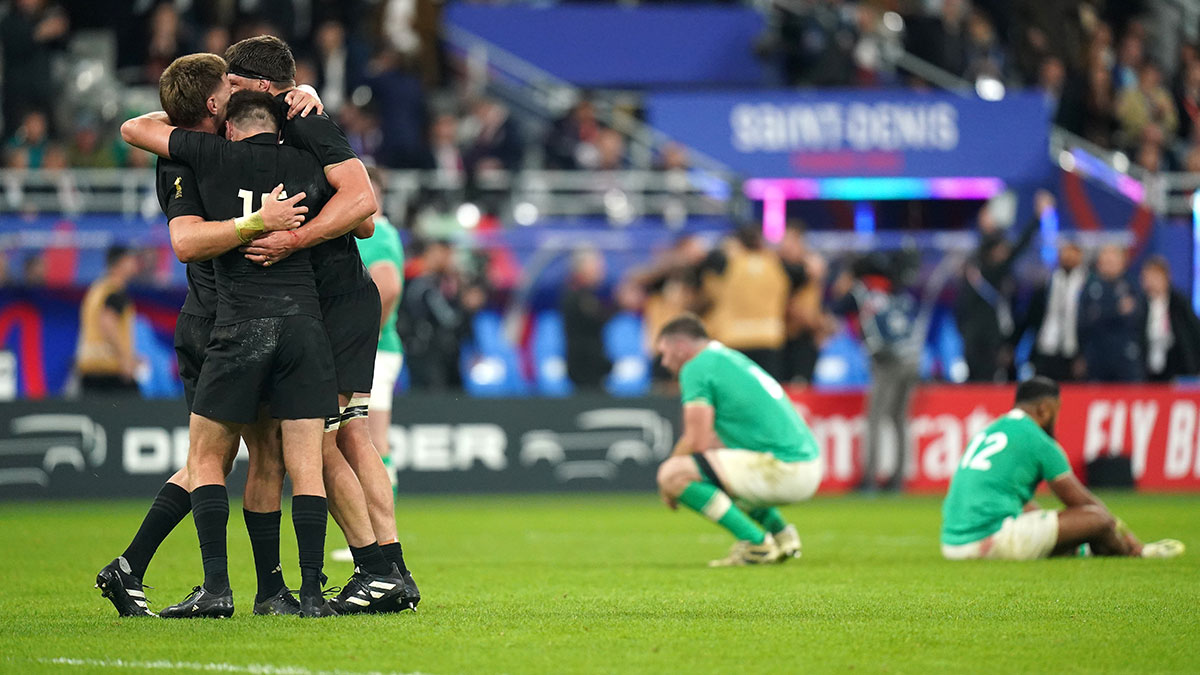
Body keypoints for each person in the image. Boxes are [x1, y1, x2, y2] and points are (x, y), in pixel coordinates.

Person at [96, 54, 326, 619]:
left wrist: (304, 95)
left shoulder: (218, 142)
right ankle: (210, 583)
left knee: (252, 454)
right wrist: (257, 224)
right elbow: (187, 243)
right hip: (212, 320)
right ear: (215, 103)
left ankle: (252, 587)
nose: (240, 86)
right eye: (230, 83)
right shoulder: (179, 159)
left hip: (254, 317)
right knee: (213, 457)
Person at [224, 35, 419, 612]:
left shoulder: (302, 121)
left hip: (332, 300)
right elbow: (357, 221)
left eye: (233, 86)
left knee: (320, 439)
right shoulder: (299, 122)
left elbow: (364, 207)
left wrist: (295, 238)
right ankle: (393, 567)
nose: (225, 99)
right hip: (340, 298)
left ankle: (373, 569)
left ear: (261, 88)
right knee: (352, 435)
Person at [941, 377, 1183, 561]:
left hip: (952, 544)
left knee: (1046, 518)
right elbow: (1080, 500)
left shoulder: (989, 430)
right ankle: (1132, 553)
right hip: (990, 539)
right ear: (1045, 409)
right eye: (1057, 410)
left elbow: (1015, 501)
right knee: (1096, 519)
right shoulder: (1038, 440)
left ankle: (1082, 548)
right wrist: (1122, 531)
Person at [654, 315, 823, 567]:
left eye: (665, 353)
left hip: (785, 467)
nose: (665, 362)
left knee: (673, 474)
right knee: (713, 468)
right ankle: (781, 534)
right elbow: (711, 443)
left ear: (680, 347)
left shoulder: (696, 366)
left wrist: (668, 483)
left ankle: (756, 544)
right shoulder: (726, 357)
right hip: (807, 464)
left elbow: (696, 440)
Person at [833, 253, 921, 493]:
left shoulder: (861, 291)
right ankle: (899, 478)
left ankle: (869, 477)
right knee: (900, 419)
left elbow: (836, 309)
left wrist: (841, 287)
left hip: (887, 360)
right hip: (912, 357)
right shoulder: (897, 291)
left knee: (874, 418)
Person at [956, 191, 1050, 382]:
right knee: (979, 378)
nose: (1005, 253)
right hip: (979, 335)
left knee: (986, 377)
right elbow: (1018, 247)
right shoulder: (985, 269)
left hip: (981, 336)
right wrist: (1037, 217)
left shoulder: (983, 269)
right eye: (1001, 249)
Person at [701, 226, 790, 378]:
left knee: (736, 392)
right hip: (768, 337)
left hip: (734, 338)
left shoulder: (727, 263)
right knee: (767, 392)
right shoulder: (775, 264)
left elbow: (704, 266)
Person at [75, 245, 140, 395]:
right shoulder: (115, 292)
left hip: (89, 368)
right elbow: (107, 322)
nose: (136, 264)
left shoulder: (96, 290)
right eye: (132, 259)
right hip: (111, 371)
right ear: (122, 263)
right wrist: (125, 359)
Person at [1023, 241, 1087, 382]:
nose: (1068, 258)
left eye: (1073, 254)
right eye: (1065, 253)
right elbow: (1030, 317)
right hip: (1046, 347)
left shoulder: (1088, 284)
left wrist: (1084, 354)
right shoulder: (1047, 282)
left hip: (1072, 351)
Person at [1078, 244, 1142, 382]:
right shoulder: (1091, 286)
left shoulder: (1132, 285)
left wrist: (1103, 312)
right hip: (1097, 354)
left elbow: (1137, 317)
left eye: (1113, 260)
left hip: (1125, 355)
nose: (1109, 264)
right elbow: (1086, 319)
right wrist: (1117, 310)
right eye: (1106, 260)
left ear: (1122, 262)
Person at [1138, 256, 1200, 381]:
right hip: (1147, 369)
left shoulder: (1179, 303)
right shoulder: (1140, 305)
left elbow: (1195, 333)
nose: (1152, 281)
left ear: (1166, 277)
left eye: (1156, 276)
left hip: (1177, 366)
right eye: (1148, 277)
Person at [561, 247, 613, 390]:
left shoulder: (589, 296)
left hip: (595, 369)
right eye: (597, 266)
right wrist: (620, 304)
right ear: (582, 269)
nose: (602, 270)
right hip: (583, 369)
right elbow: (595, 319)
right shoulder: (575, 295)